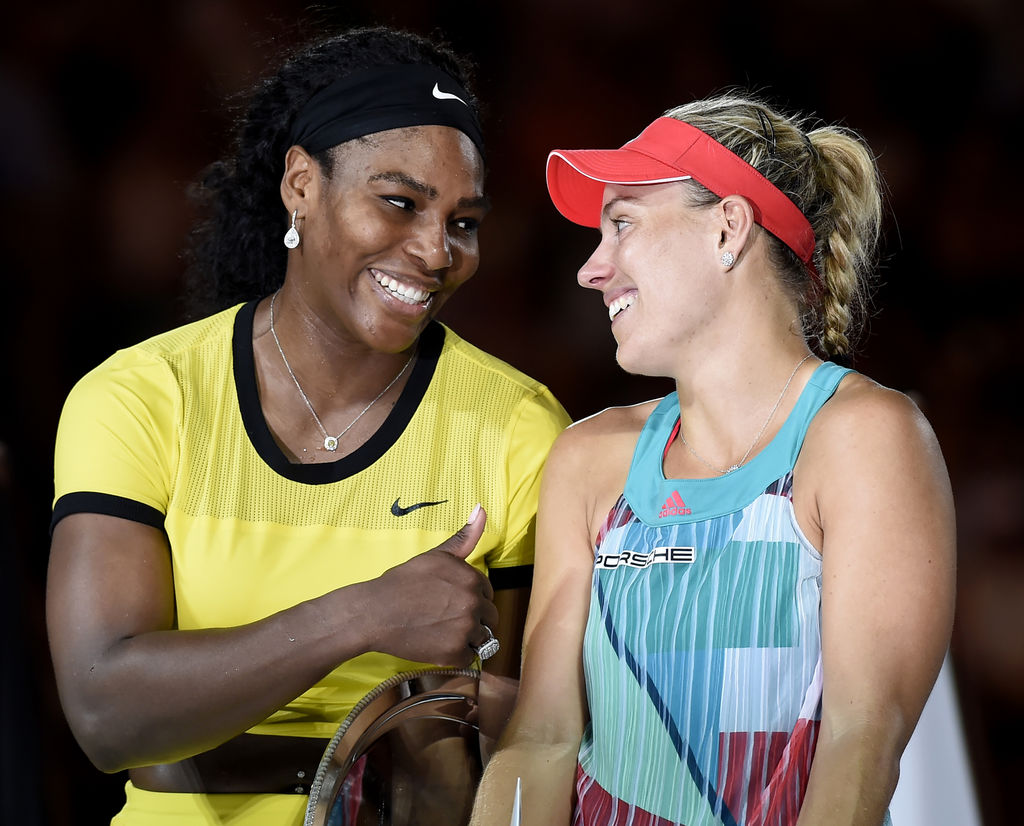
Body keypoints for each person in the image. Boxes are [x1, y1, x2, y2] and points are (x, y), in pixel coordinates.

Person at [46, 26, 569, 825]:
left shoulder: (519, 428)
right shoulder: (142, 398)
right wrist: (362, 616)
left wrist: (480, 719)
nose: (436, 251)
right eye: (400, 203)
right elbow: (105, 713)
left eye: (462, 222)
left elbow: (536, 737)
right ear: (301, 186)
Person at [470, 94, 956, 826]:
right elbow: (541, 741)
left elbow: (860, 749)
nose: (591, 270)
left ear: (728, 227)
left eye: (622, 225)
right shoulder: (588, 458)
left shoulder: (865, 438)